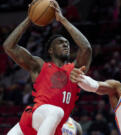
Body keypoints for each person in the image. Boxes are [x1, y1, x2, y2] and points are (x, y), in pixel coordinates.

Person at [3, 0, 92, 135]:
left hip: (55, 125)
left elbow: (86, 48)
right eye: (60, 42)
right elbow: (9, 46)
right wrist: (29, 19)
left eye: (67, 43)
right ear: (50, 50)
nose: (65, 45)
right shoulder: (39, 66)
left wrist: (63, 20)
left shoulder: (75, 71)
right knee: (56, 111)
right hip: (36, 116)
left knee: (64, 118)